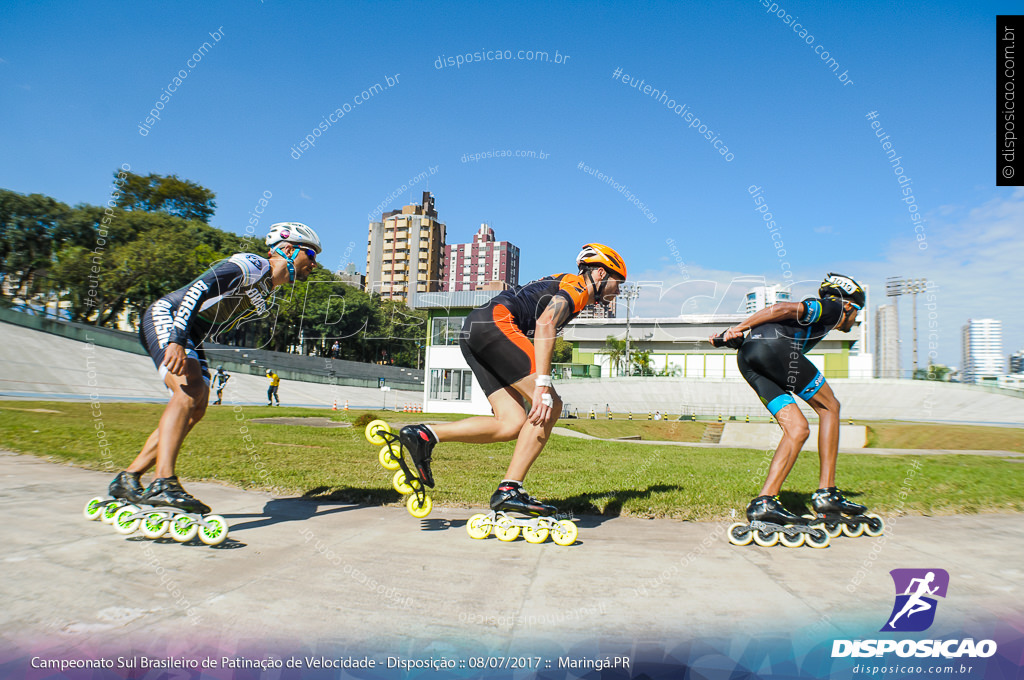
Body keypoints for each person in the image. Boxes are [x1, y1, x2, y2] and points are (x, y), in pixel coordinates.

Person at [106, 223, 322, 512]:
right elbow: (198, 289)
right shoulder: (252, 265)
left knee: (197, 407)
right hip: (170, 317)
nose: (315, 262)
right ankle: (163, 481)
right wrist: (176, 339)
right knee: (187, 392)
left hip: (191, 334)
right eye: (311, 253)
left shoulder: (268, 292)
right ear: (287, 249)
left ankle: (128, 477)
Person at [400, 244, 627, 516]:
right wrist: (542, 386)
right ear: (601, 273)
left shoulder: (567, 285)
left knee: (511, 423)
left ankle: (425, 434)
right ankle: (510, 489)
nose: (620, 290)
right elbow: (545, 325)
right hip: (496, 324)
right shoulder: (577, 287)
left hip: (476, 330)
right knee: (550, 405)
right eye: (618, 282)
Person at [711, 272, 868, 528]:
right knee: (830, 407)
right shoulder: (834, 308)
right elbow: (781, 308)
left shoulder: (824, 319)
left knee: (797, 429)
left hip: (750, 358)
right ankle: (827, 493)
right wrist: (738, 328)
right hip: (775, 350)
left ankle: (765, 502)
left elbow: (761, 337)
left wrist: (735, 337)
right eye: (857, 311)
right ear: (849, 304)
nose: (854, 318)